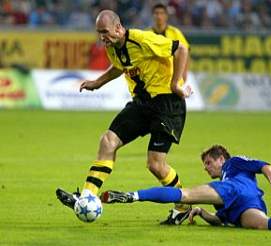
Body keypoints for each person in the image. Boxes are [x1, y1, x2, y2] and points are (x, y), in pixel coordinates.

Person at [56, 9, 193, 225]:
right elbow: (119, 67)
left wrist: (176, 83)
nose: (102, 37)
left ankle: (184, 204)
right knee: (108, 141)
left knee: (156, 165)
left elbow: (181, 50)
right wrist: (97, 82)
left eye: (105, 32)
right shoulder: (112, 47)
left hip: (167, 104)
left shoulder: (142, 39)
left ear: (119, 28)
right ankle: (87, 196)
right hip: (142, 104)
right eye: (99, 33)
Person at [100, 145, 271, 232]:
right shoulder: (223, 188)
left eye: (208, 162)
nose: (206, 168)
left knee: (185, 194)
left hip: (234, 191)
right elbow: (221, 221)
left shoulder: (233, 163)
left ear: (221, 159)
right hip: (248, 203)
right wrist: (201, 212)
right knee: (263, 225)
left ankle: (132, 196)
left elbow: (264, 166)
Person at [147, 3, 190, 82]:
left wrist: (184, 72)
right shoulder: (146, 34)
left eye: (162, 13)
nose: (159, 16)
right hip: (153, 77)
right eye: (156, 13)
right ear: (152, 15)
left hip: (173, 76)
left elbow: (185, 52)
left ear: (166, 16)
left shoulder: (175, 33)